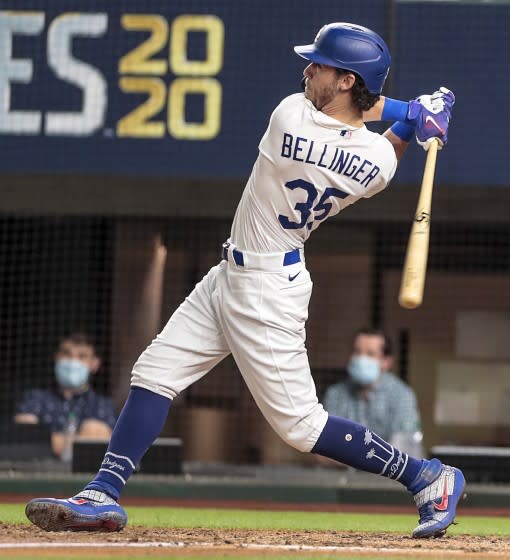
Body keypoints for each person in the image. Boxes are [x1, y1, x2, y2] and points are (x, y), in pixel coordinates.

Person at [25, 22, 464, 539]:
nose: (308, 69)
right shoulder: (375, 168)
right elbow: (384, 138)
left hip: (264, 290)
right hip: (233, 275)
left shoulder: (289, 116)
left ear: (346, 80)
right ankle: (103, 491)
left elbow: (368, 111)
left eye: (320, 65)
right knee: (155, 372)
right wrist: (416, 117)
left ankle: (427, 476)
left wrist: (411, 110)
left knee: (302, 427)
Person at [322, 328, 423, 456]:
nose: (361, 358)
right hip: (337, 476)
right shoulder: (335, 394)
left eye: (370, 354)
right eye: (357, 351)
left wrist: (347, 454)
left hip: (386, 477)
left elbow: (402, 455)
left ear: (386, 362)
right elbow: (323, 451)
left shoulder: (402, 396)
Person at [15, 332, 117, 459]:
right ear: (56, 357)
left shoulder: (103, 405)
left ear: (95, 364)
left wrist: (50, 440)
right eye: (67, 354)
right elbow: (23, 439)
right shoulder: (34, 399)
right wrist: (79, 439)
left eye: (82, 356)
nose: (73, 361)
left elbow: (102, 447)